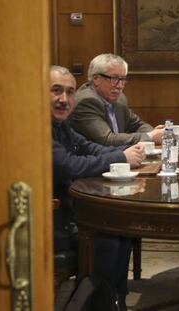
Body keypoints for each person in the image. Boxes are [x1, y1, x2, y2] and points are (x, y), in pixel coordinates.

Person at [51, 65, 145, 311]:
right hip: (51, 221)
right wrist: (122, 158)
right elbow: (71, 166)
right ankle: (96, 304)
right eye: (56, 91)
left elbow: (89, 148)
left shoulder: (61, 126)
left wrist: (124, 153)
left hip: (70, 212)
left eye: (70, 92)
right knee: (110, 237)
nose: (64, 99)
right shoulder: (37, 130)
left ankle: (115, 300)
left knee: (121, 229)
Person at [69, 53, 164, 146]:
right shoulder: (86, 101)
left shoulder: (119, 99)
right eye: (114, 79)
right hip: (94, 159)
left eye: (123, 79)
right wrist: (150, 136)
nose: (120, 86)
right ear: (96, 78)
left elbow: (138, 125)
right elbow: (108, 140)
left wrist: (154, 133)